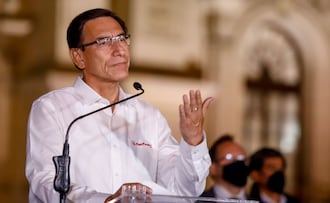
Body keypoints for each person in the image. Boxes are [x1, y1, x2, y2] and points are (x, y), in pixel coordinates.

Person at [25, 8, 213, 203]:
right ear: (79, 57)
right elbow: (46, 181)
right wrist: (107, 201)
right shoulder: (53, 108)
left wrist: (192, 142)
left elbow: (184, 191)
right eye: (104, 42)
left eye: (122, 39)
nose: (119, 50)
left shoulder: (149, 116)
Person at [200, 134, 249, 200]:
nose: (239, 163)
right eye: (230, 158)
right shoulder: (196, 201)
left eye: (242, 158)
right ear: (213, 168)